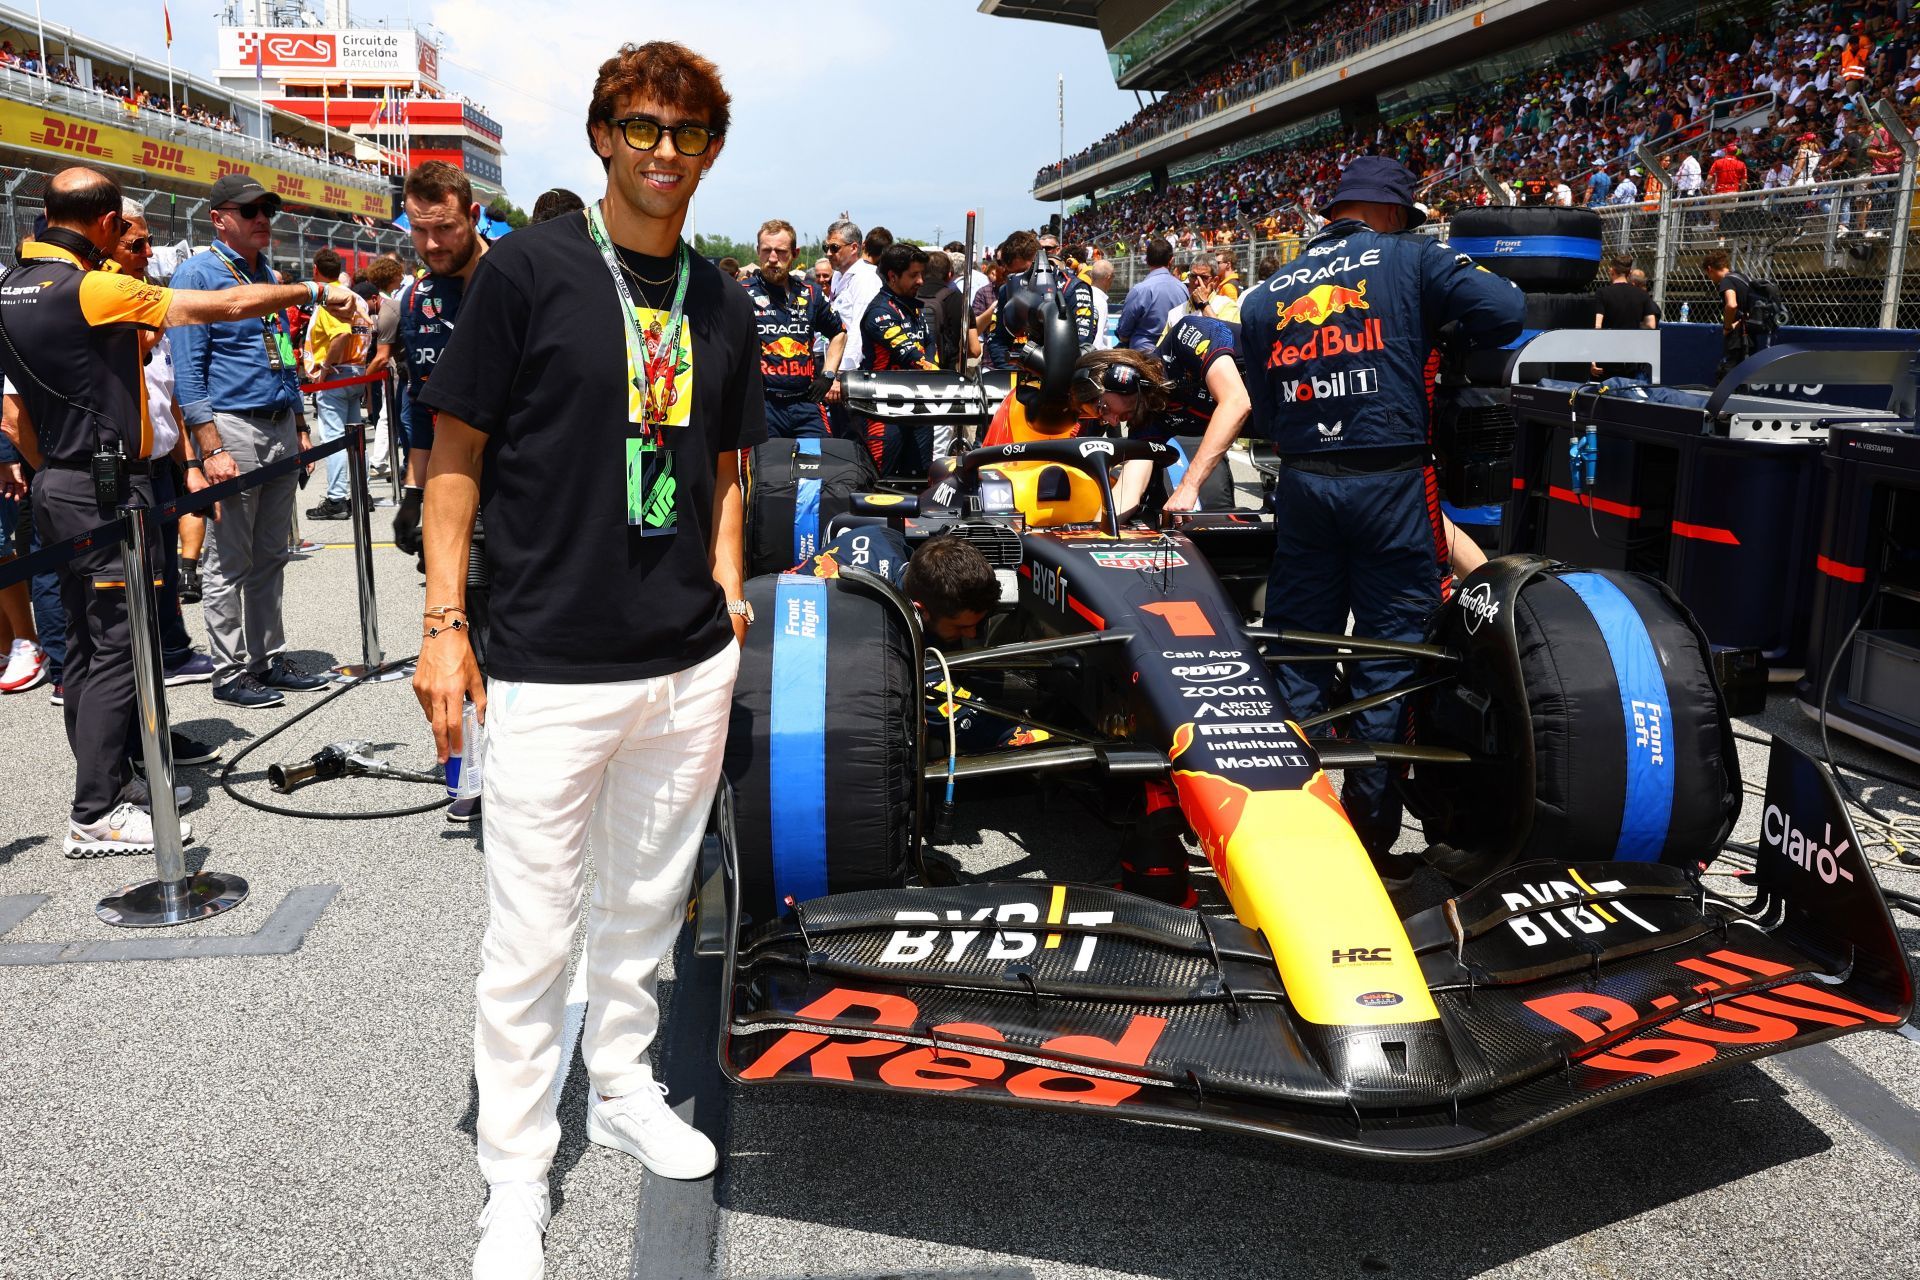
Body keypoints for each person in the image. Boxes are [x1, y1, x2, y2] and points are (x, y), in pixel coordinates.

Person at [410, 42, 764, 1279]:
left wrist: (725, 578)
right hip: (550, 658)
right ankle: (513, 1177)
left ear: (711, 148)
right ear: (603, 137)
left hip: (683, 660)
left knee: (648, 907)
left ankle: (619, 1083)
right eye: (641, 126)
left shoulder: (724, 297)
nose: (664, 149)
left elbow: (729, 455)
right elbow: (454, 453)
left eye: (687, 131)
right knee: (529, 936)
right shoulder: (529, 272)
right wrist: (444, 623)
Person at [2, 166, 355, 854]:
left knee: (84, 646)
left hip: (64, 486)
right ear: (106, 224)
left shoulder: (12, 285)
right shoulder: (94, 287)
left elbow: (19, 416)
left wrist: (56, 473)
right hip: (105, 489)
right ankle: (97, 810)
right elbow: (218, 309)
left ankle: (117, 779)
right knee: (113, 651)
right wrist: (313, 289)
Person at [1239, 156, 1523, 873]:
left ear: (1337, 211)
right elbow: (1507, 313)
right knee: (1389, 658)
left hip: (1303, 483)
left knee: (1299, 651)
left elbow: (1265, 414)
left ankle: (1285, 828)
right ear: (1393, 213)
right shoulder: (1411, 257)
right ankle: (1367, 837)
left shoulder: (1263, 294)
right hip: (1392, 481)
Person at [168, 172, 335, 709]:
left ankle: (267, 657)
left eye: (267, 209)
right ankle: (229, 669)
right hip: (233, 427)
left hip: (278, 423)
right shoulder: (198, 273)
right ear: (219, 219)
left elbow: (281, 353)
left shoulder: (266, 272)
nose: (263, 218)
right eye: (250, 210)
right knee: (228, 560)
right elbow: (189, 373)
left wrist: (301, 423)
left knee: (272, 555)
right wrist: (210, 448)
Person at [391, 162, 489, 565]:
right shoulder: (416, 298)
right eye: (419, 230)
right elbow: (421, 401)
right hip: (449, 489)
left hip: (526, 496)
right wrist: (414, 493)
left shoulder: (523, 278)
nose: (431, 244)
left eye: (445, 228)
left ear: (473, 215)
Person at [747, 217, 842, 439]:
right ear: (758, 251)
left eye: (780, 252)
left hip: (806, 404)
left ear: (795, 253)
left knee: (816, 469)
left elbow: (839, 332)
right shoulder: (741, 293)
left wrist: (827, 376)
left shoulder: (810, 293)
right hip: (763, 406)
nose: (772, 258)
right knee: (769, 472)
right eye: (766, 250)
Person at [302, 247, 372, 521]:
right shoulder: (357, 298)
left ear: (316, 270)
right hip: (357, 370)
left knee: (334, 439)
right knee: (356, 439)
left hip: (337, 375)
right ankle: (361, 493)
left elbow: (341, 335)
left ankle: (336, 499)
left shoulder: (331, 298)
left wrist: (326, 367)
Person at [858, 241, 939, 475]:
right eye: (914, 275)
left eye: (921, 274)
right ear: (892, 276)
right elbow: (913, 356)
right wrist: (946, 377)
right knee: (882, 483)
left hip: (920, 407)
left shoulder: (914, 309)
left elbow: (930, 346)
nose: (921, 281)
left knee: (921, 480)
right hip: (884, 411)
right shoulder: (880, 312)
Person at [1592, 252, 1657, 378]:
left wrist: (1592, 357)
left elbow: (1597, 326)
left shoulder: (1602, 293)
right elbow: (1651, 325)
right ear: (1630, 272)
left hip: (1606, 356)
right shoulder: (1642, 294)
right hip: (1630, 357)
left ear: (1611, 270)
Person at [1114, 237, 1184, 352]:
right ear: (1171, 260)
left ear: (1146, 260)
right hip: (1174, 355)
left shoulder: (1139, 290)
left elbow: (1123, 334)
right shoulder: (1182, 289)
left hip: (1143, 357)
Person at [1704, 250, 1755, 377]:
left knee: (1729, 371)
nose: (1710, 278)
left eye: (1708, 275)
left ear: (1710, 269)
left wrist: (1727, 326)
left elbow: (1731, 305)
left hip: (1737, 334)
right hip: (1749, 331)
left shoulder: (1727, 281)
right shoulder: (1742, 277)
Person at [1088, 258, 1115, 349]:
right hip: (1096, 357)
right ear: (1108, 277)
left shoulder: (1086, 295)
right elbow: (1098, 339)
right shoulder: (1100, 302)